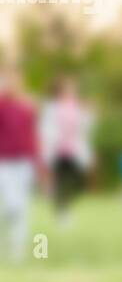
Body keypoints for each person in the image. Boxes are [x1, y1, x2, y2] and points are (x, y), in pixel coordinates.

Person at [40, 77, 95, 222]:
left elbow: (87, 128)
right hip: (58, 149)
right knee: (61, 180)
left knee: (77, 179)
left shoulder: (79, 107)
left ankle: (64, 203)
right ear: (60, 91)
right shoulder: (52, 107)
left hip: (75, 150)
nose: (71, 91)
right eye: (68, 89)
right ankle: (62, 211)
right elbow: (45, 129)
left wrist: (91, 114)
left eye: (73, 89)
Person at [0, 68, 39, 262]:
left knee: (21, 205)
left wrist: (38, 161)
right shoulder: (1, 105)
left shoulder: (28, 105)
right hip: (4, 161)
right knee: (9, 204)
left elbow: (32, 134)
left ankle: (19, 247)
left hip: (24, 161)